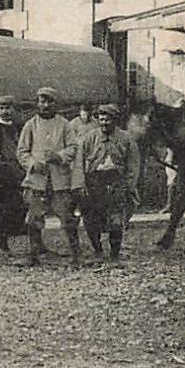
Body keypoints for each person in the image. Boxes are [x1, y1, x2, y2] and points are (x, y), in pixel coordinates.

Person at [71, 104, 143, 262]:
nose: (104, 123)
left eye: (108, 120)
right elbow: (78, 163)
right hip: (94, 183)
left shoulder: (126, 139)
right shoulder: (89, 138)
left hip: (116, 183)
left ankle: (114, 253)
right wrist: (80, 185)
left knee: (116, 220)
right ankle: (98, 251)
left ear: (115, 120)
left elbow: (133, 165)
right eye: (101, 120)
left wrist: (129, 186)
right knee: (91, 219)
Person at [17, 87, 76, 268]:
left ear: (55, 104)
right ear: (38, 103)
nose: (46, 105)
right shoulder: (30, 125)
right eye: (42, 101)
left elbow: (74, 147)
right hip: (37, 180)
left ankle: (76, 253)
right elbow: (21, 151)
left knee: (67, 216)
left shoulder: (65, 124)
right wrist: (33, 163)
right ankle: (34, 255)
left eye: (50, 101)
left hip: (59, 180)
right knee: (34, 218)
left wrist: (59, 156)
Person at [0, 96, 27, 258]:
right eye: (2, 108)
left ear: (14, 110)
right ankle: (0, 241)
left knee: (20, 206)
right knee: (0, 207)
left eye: (9, 108)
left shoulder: (21, 128)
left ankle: (18, 242)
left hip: (19, 170)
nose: (5, 111)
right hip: (1, 173)